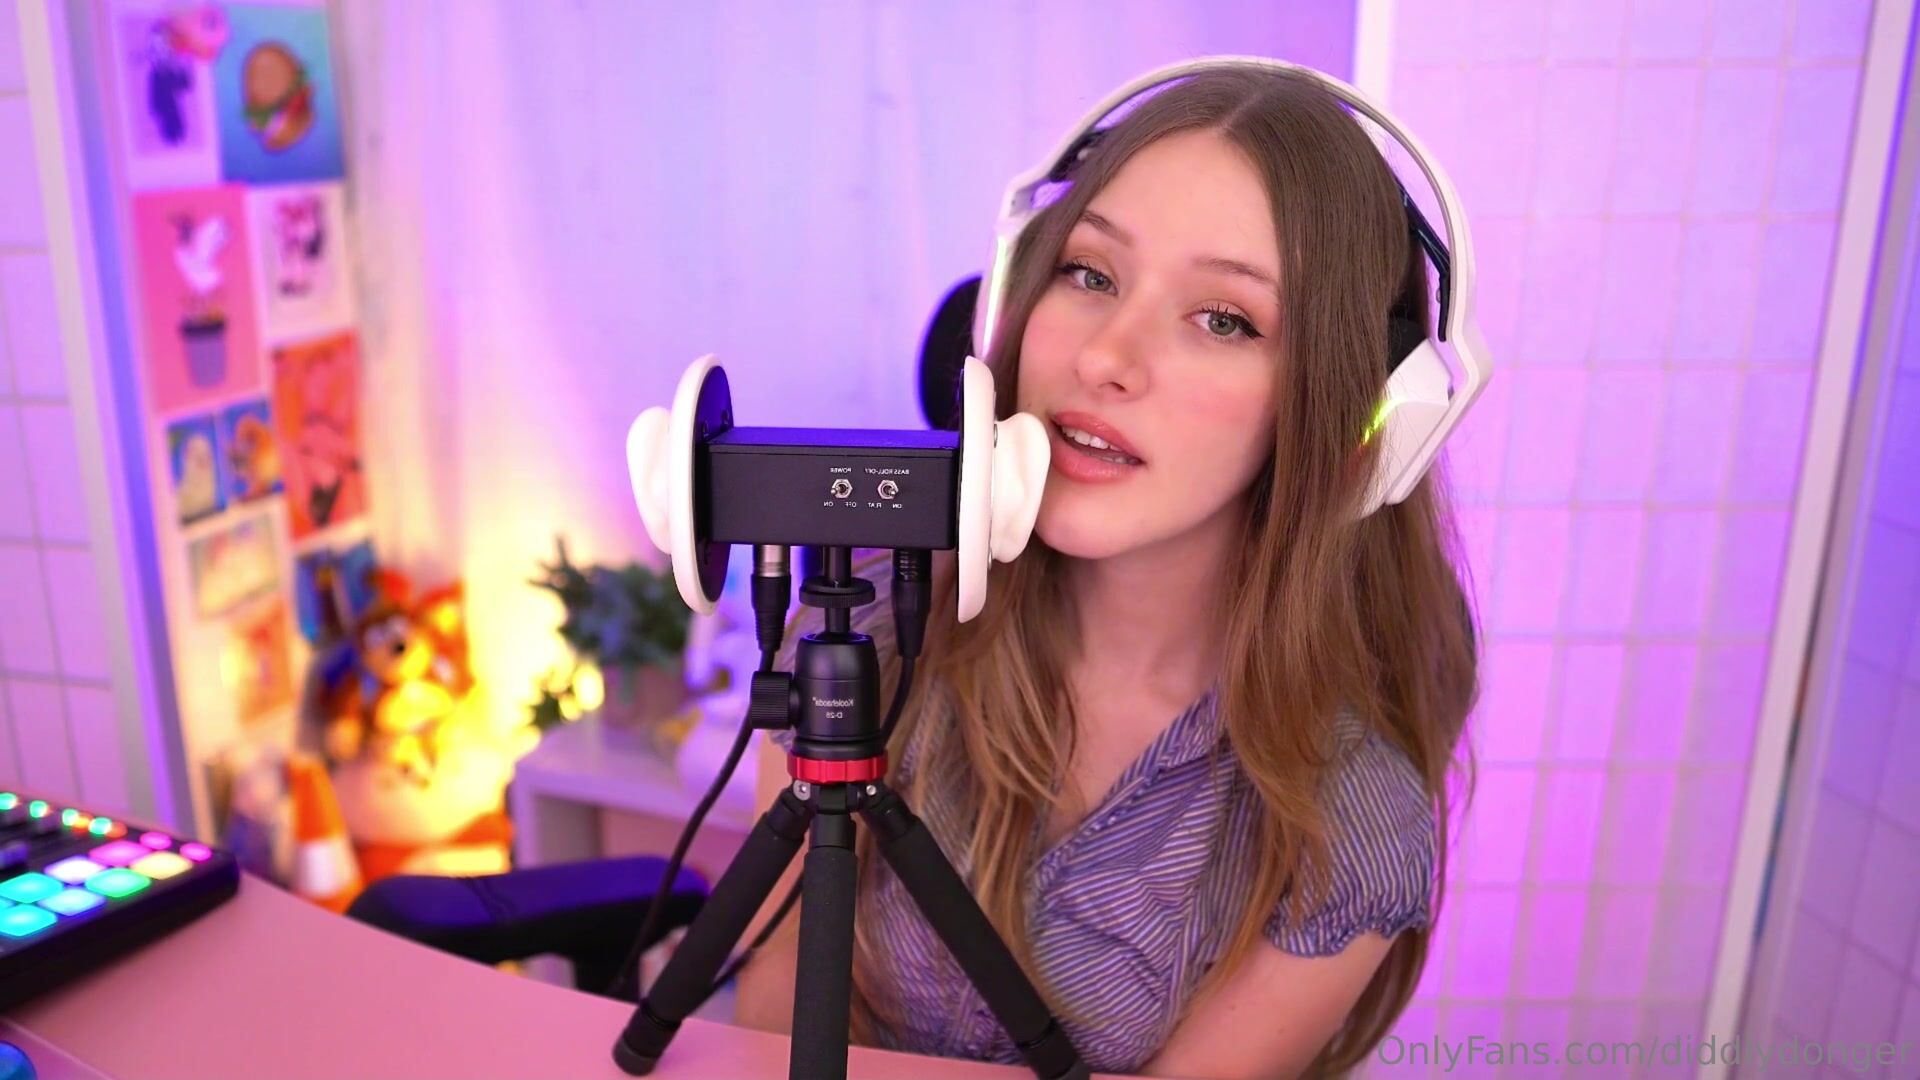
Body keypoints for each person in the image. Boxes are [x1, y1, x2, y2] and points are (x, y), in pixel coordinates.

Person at [732, 63, 1479, 1079]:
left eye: (1225, 319)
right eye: (1089, 274)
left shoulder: (1348, 823)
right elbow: (775, 1005)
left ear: (1365, 419)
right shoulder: (865, 638)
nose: (1104, 359)